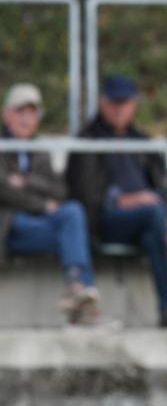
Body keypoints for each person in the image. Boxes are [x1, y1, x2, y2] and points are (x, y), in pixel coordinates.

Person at [0, 84, 116, 327]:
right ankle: (84, 305)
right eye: (20, 111)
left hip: (38, 225)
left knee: (73, 213)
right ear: (6, 114)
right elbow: (5, 191)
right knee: (73, 234)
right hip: (9, 225)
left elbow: (59, 190)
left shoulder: (40, 150)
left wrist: (26, 182)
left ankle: (77, 289)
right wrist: (42, 205)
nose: (26, 118)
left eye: (32, 112)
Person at [66, 75, 167, 328]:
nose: (119, 108)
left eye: (124, 102)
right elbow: (84, 191)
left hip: (148, 221)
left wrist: (160, 197)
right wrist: (122, 199)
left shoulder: (142, 141)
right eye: (114, 102)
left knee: (154, 232)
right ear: (102, 103)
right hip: (105, 221)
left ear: (133, 105)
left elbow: (164, 183)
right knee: (155, 215)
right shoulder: (87, 140)